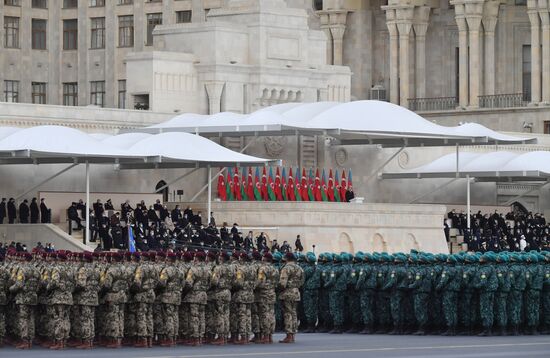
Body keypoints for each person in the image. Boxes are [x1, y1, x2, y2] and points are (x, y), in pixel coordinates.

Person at [278, 252, 304, 343]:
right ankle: (293, 334)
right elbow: (302, 281)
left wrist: (279, 290)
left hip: (287, 293)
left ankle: (288, 335)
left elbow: (282, 283)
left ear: (286, 258)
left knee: (288, 314)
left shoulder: (286, 268)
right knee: (294, 313)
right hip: (296, 292)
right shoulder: (299, 268)